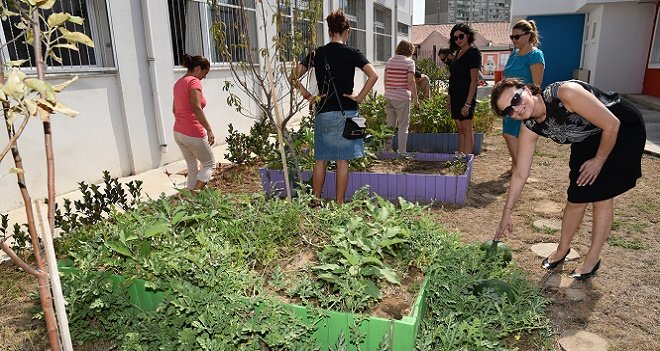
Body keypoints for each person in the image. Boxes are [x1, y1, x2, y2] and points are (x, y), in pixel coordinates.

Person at [491, 78, 646, 280]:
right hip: (587, 136)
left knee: (601, 198)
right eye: (508, 111)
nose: (516, 109)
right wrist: (507, 212)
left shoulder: (566, 94)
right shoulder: (529, 127)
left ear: (527, 89)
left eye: (516, 99)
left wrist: (599, 161)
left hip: (620, 127)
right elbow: (521, 173)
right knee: (575, 198)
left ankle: (592, 260)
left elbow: (612, 124)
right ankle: (562, 250)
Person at [294, 9, 378, 204]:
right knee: (342, 161)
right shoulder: (353, 53)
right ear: (346, 31)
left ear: (329, 30)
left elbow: (293, 75)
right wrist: (359, 97)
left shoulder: (318, 53)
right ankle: (339, 204)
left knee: (321, 159)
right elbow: (373, 75)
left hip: (323, 112)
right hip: (347, 112)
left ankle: (315, 202)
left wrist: (309, 96)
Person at [501, 19, 545, 177]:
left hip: (523, 103)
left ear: (528, 36)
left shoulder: (535, 55)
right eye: (511, 37)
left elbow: (536, 84)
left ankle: (520, 168)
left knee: (513, 135)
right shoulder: (513, 55)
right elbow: (507, 76)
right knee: (511, 135)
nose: (513, 40)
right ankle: (516, 167)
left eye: (516, 37)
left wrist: (523, 101)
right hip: (509, 102)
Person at [172, 54, 215, 191]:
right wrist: (208, 129)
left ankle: (191, 203)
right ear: (197, 68)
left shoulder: (178, 83)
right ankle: (196, 195)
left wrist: (183, 123)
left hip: (178, 132)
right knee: (209, 164)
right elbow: (196, 107)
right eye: (205, 72)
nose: (205, 76)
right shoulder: (193, 82)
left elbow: (174, 109)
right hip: (192, 132)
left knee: (192, 167)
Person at [447, 23, 481, 158]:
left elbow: (474, 80)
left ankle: (467, 160)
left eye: (461, 36)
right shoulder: (457, 53)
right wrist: (449, 98)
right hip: (455, 97)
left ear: (468, 35)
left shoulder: (473, 52)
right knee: (460, 130)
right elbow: (453, 77)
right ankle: (460, 156)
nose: (458, 39)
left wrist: (468, 103)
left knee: (467, 129)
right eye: (455, 38)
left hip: (466, 97)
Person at [383, 40, 418, 153]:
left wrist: (388, 91)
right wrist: (415, 98)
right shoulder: (409, 62)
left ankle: (386, 150)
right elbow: (411, 82)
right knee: (403, 126)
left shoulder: (389, 61)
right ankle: (402, 152)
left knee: (389, 125)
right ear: (409, 50)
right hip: (402, 97)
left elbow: (385, 79)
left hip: (388, 96)